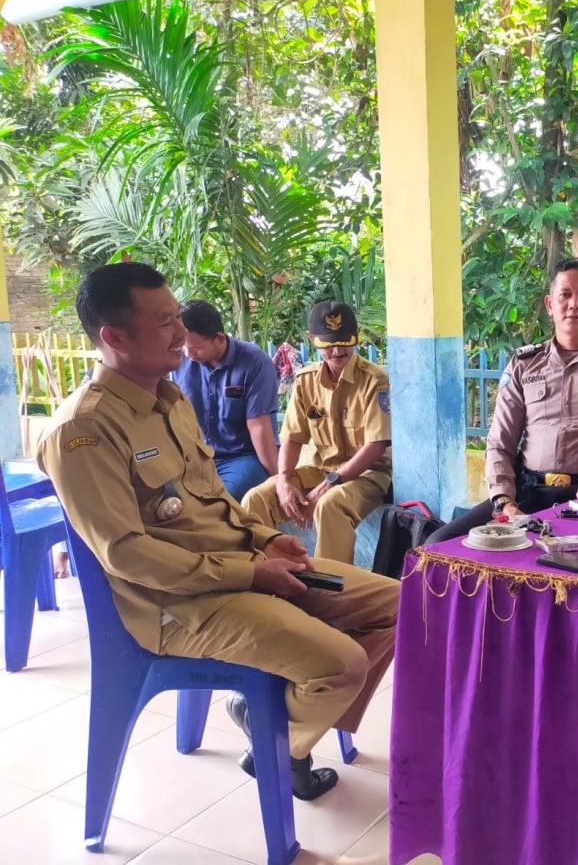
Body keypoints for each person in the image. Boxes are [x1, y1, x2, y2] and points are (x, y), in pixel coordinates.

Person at [38, 263, 399, 801]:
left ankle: (280, 733)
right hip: (176, 602)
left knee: (404, 604)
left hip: (237, 567)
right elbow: (129, 555)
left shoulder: (169, 399)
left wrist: (263, 539)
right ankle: (287, 734)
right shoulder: (82, 431)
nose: (183, 335)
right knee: (341, 663)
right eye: (165, 324)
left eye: (177, 318)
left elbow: (212, 501)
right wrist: (252, 572)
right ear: (113, 336)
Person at [427, 258, 578, 544]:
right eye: (565, 295)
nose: (574, 304)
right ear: (550, 305)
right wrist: (504, 502)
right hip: (529, 494)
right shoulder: (524, 364)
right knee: (440, 544)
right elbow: (500, 441)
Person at [241, 301, 391, 565]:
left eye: (344, 341)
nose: (337, 350)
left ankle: (332, 591)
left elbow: (376, 446)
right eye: (328, 343)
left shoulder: (375, 380)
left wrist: (330, 483)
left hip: (368, 476)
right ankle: (270, 575)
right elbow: (292, 437)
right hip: (322, 471)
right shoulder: (306, 380)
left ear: (356, 336)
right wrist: (284, 480)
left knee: (330, 505)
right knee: (256, 499)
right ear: (312, 340)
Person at [173, 300, 279, 500]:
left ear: (219, 339)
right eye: (184, 347)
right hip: (195, 456)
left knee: (222, 501)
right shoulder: (179, 360)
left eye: (195, 348)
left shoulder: (256, 363)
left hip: (243, 457)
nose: (188, 354)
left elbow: (259, 427)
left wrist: (278, 479)